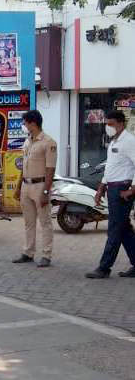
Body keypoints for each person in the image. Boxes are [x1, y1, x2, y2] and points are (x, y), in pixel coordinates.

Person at [86, 110, 135, 278]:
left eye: (111, 124)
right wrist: (101, 187)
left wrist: (132, 189)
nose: (108, 127)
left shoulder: (129, 141)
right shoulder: (114, 142)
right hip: (112, 188)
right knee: (124, 229)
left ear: (121, 123)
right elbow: (110, 168)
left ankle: (104, 267)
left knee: (114, 229)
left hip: (123, 190)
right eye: (106, 124)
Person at [13, 110, 57, 268]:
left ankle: (46, 254)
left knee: (45, 222)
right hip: (26, 184)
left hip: (40, 185)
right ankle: (28, 252)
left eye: (25, 123)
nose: (23, 126)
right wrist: (18, 187)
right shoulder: (27, 141)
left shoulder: (48, 142)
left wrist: (46, 191)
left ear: (33, 123)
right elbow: (23, 167)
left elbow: (50, 169)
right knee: (28, 222)